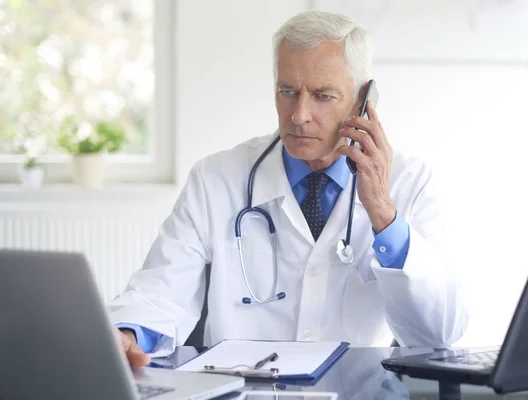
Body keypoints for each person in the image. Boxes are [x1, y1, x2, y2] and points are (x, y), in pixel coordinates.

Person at [109, 10, 469, 367]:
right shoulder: (215, 179)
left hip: (358, 392)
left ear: (363, 101)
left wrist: (384, 218)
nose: (298, 115)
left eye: (322, 96)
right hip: (243, 390)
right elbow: (160, 292)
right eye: (288, 91)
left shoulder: (410, 184)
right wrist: (128, 334)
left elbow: (439, 334)